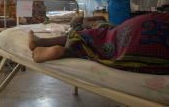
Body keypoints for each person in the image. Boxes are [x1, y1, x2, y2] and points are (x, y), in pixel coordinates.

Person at [28, 13, 169, 74]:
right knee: (101, 39)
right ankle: (65, 51)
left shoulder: (99, 24)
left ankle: (42, 42)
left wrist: (90, 23)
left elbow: (98, 25)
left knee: (98, 36)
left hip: (144, 25)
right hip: (153, 38)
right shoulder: (99, 22)